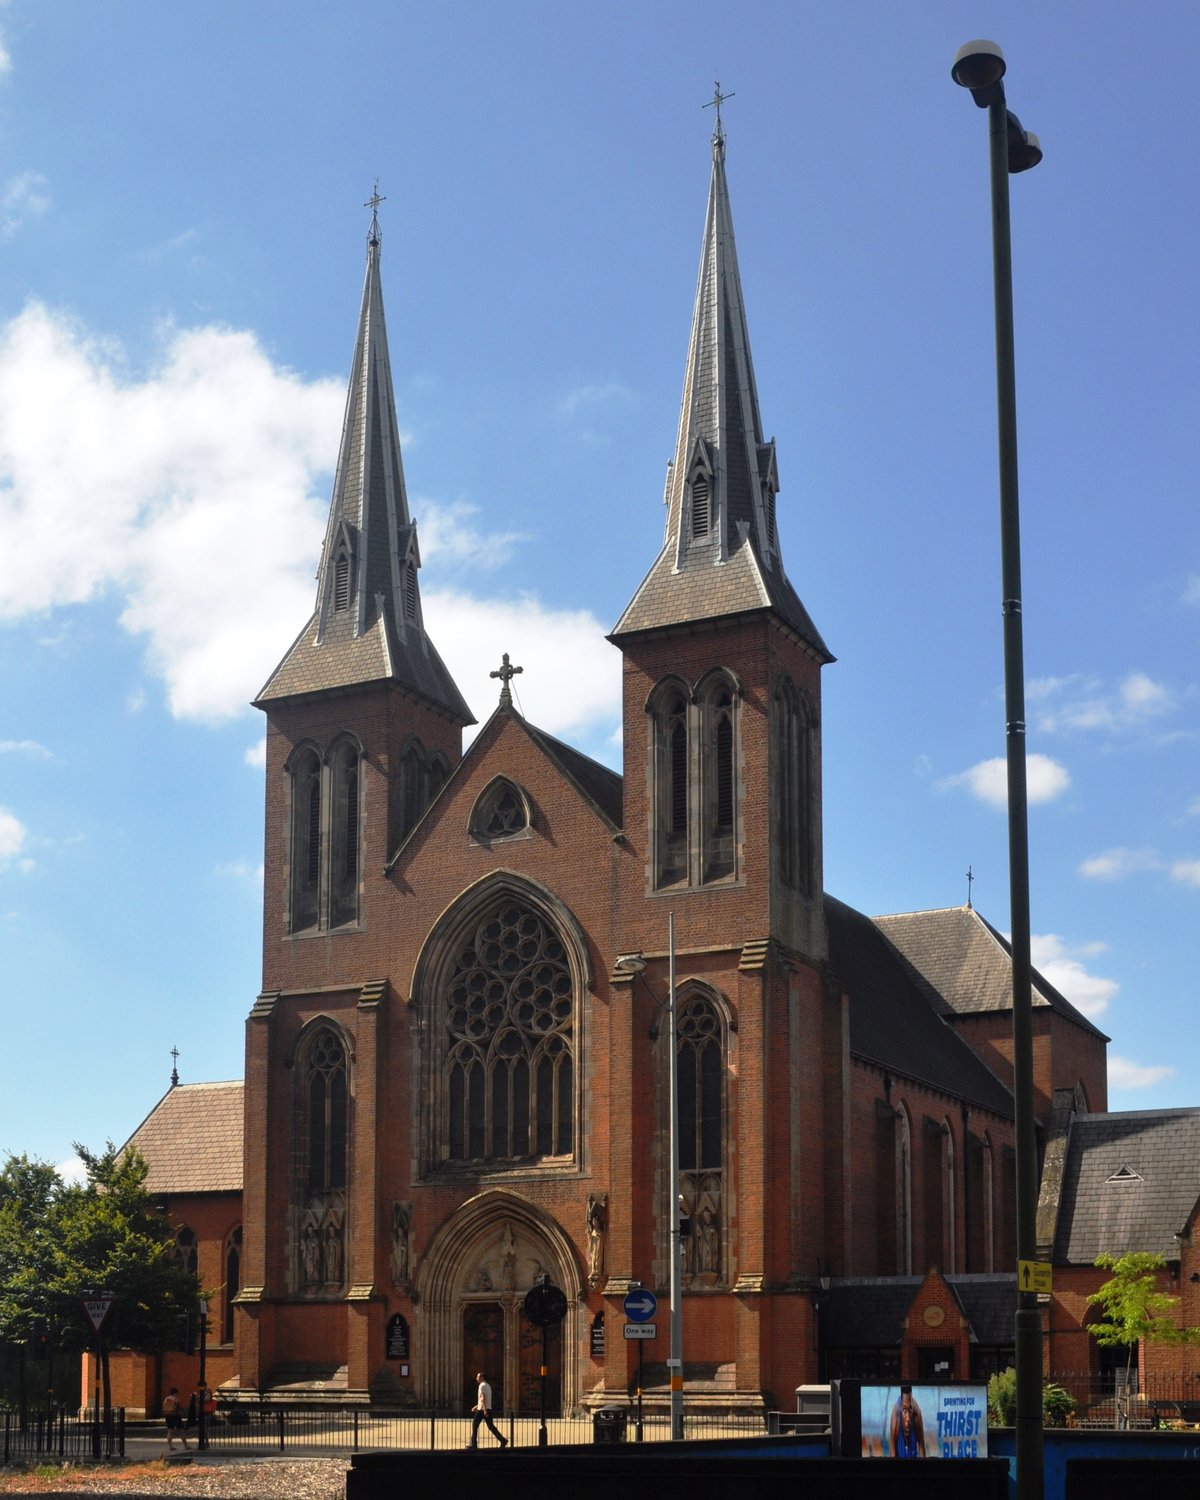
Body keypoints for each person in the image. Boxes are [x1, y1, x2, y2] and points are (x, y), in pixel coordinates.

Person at [467, 1370, 508, 1449]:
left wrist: (484, 1410)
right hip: (487, 1408)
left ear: (481, 1377)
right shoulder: (488, 1385)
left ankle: (474, 1445)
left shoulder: (481, 1385)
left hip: (483, 1410)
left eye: (477, 1377)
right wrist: (477, 1406)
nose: (476, 1378)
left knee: (475, 1424)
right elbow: (485, 1399)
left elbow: (483, 1398)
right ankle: (503, 1440)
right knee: (491, 1427)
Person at [890, 1385, 925, 1458]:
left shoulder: (916, 1414)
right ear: (901, 1408)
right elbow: (892, 1454)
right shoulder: (896, 1416)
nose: (908, 1418)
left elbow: (922, 1448)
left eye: (910, 1410)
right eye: (905, 1411)